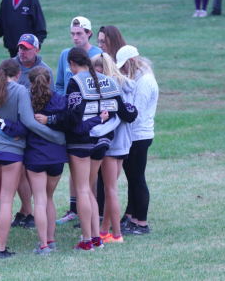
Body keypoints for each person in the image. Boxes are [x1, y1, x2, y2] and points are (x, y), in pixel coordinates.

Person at [0, 59, 65, 259]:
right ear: (17, 74)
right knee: (6, 202)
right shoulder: (20, 91)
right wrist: (56, 137)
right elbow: (29, 123)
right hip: (13, 153)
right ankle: (1, 249)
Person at [43, 47, 137, 250]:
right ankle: (96, 238)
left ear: (72, 64)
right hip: (103, 142)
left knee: (83, 190)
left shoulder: (75, 81)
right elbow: (125, 113)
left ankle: (87, 241)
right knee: (90, 191)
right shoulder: (108, 80)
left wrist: (50, 119)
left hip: (81, 141)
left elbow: (73, 117)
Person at [55, 16, 102, 226]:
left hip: (91, 119)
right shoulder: (65, 55)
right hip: (71, 116)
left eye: (79, 34)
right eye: (72, 34)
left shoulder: (99, 55)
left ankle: (93, 210)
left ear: (88, 33)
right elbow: (58, 85)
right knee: (74, 166)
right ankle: (74, 208)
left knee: (91, 170)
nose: (75, 38)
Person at [10, 34, 55, 229]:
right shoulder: (10, 66)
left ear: (37, 50)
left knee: (30, 171)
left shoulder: (45, 71)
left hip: (35, 126)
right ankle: (27, 211)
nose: (22, 51)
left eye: (27, 48)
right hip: (14, 126)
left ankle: (27, 211)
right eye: (20, 47)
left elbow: (48, 100)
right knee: (18, 170)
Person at [91, 53, 135, 244]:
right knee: (111, 189)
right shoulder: (125, 83)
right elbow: (130, 111)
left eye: (93, 70)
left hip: (111, 142)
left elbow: (119, 112)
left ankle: (116, 235)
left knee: (110, 189)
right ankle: (104, 230)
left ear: (100, 70)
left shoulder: (108, 87)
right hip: (124, 142)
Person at [115, 45, 159, 236]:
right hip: (135, 135)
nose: (122, 70)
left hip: (139, 136)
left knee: (137, 179)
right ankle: (132, 218)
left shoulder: (145, 82)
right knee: (133, 179)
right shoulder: (140, 77)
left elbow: (136, 114)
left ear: (131, 62)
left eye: (123, 66)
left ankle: (141, 223)